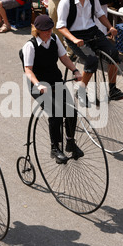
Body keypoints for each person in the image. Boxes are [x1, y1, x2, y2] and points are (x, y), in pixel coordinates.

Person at [21, 15, 83, 163]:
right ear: (37, 31)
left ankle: (70, 141)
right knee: (55, 113)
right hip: (39, 84)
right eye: (45, 31)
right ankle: (55, 148)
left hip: (56, 81)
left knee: (71, 111)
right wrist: (38, 85)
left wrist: (75, 70)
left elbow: (64, 58)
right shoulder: (30, 46)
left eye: (50, 30)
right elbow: (28, 70)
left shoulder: (54, 39)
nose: (48, 33)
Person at [57, 0, 123, 105]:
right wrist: (74, 40)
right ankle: (81, 91)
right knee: (91, 60)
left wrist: (110, 27)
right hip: (75, 35)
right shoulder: (66, 1)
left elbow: (100, 14)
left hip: (92, 31)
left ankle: (112, 89)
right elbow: (61, 26)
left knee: (113, 53)